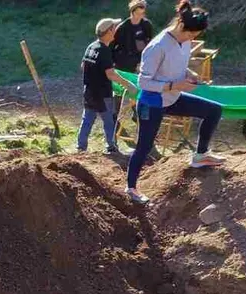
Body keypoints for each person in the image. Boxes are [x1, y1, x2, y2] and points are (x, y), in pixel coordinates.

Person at [125, 2, 224, 204]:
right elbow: (143, 82)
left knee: (214, 110)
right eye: (191, 34)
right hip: (152, 102)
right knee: (144, 146)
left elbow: (180, 64)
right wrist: (174, 85)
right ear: (181, 25)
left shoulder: (185, 41)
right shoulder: (157, 46)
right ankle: (131, 188)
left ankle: (200, 154)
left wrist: (191, 74)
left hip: (173, 97)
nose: (193, 38)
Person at [78, 18, 138, 154]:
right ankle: (111, 147)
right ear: (109, 31)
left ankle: (80, 148)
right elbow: (110, 74)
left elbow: (83, 66)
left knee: (87, 120)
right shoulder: (104, 50)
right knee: (109, 121)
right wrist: (128, 85)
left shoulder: (91, 46)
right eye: (114, 28)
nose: (116, 30)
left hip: (89, 92)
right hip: (102, 94)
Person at [111, 1, 154, 117]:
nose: (141, 16)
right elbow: (112, 46)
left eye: (143, 13)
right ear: (132, 13)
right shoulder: (122, 27)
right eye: (138, 14)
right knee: (119, 91)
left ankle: (136, 113)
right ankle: (114, 116)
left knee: (138, 89)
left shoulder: (146, 25)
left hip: (139, 63)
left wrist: (144, 61)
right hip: (122, 63)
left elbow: (150, 45)